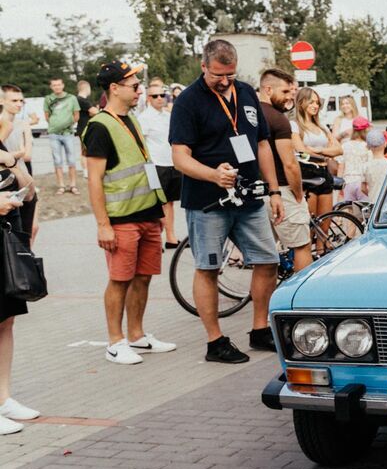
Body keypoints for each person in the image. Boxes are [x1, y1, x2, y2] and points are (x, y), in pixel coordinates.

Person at [169, 39, 284, 364]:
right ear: (203, 66)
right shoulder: (188, 102)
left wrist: (274, 190)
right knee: (208, 268)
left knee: (267, 260)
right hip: (207, 202)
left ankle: (260, 329)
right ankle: (215, 341)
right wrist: (212, 175)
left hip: (249, 198)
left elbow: (262, 143)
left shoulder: (246, 93)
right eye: (217, 75)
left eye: (230, 75)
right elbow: (179, 157)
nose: (224, 81)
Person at [83, 61, 177, 366]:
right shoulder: (99, 126)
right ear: (114, 88)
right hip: (121, 219)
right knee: (120, 279)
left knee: (144, 277)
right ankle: (115, 341)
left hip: (147, 214)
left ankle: (137, 335)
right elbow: (94, 180)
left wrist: (160, 210)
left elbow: (145, 167)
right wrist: (102, 225)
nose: (140, 90)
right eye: (134, 85)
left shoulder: (132, 120)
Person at [258, 69, 312, 274]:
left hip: (257, 191)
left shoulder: (248, 114)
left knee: (264, 256)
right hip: (281, 190)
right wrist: (298, 193)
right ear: (268, 89)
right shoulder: (278, 119)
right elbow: (289, 163)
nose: (291, 96)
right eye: (286, 91)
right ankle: (301, 299)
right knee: (301, 246)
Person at [0, 141, 37, 434]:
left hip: (7, 238)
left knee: (6, 321)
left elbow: (30, 190)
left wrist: (11, 163)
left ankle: (3, 398)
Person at [137, 78, 181, 249]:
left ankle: (171, 237)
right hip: (155, 165)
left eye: (163, 95)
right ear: (148, 98)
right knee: (157, 203)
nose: (160, 98)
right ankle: (155, 239)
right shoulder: (144, 118)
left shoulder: (168, 116)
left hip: (171, 163)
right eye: (155, 96)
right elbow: (141, 145)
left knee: (169, 202)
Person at [293, 87, 342, 220]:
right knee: (311, 224)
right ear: (302, 102)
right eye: (312, 102)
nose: (315, 106)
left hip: (325, 172)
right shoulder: (295, 125)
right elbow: (302, 151)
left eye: (317, 103)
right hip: (307, 173)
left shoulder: (322, 126)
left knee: (325, 223)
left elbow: (339, 150)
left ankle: (323, 242)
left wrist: (319, 150)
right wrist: (327, 153)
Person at [0, 86, 37, 244]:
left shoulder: (22, 124)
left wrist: (10, 159)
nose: (19, 104)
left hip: (20, 173)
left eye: (21, 100)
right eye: (14, 100)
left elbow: (27, 154)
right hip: (11, 176)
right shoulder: (5, 126)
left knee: (29, 231)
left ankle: (24, 260)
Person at [45, 77, 81, 195]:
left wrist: (66, 124)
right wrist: (56, 125)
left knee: (71, 160)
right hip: (54, 134)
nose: (57, 87)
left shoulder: (71, 98)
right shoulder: (48, 99)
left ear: (63, 85)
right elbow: (47, 116)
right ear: (51, 87)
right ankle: (61, 186)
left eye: (59, 84)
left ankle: (73, 185)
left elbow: (76, 115)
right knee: (57, 160)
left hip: (68, 134)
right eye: (54, 85)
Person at [340, 116, 371, 202]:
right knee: (364, 212)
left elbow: (341, 166)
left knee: (350, 212)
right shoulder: (367, 147)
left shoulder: (345, 145)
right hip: (362, 182)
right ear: (365, 131)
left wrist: (339, 184)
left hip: (348, 182)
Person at [364, 129, 387, 203]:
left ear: (368, 147)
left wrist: (371, 194)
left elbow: (362, 188)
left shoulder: (366, 166)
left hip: (374, 203)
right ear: (385, 144)